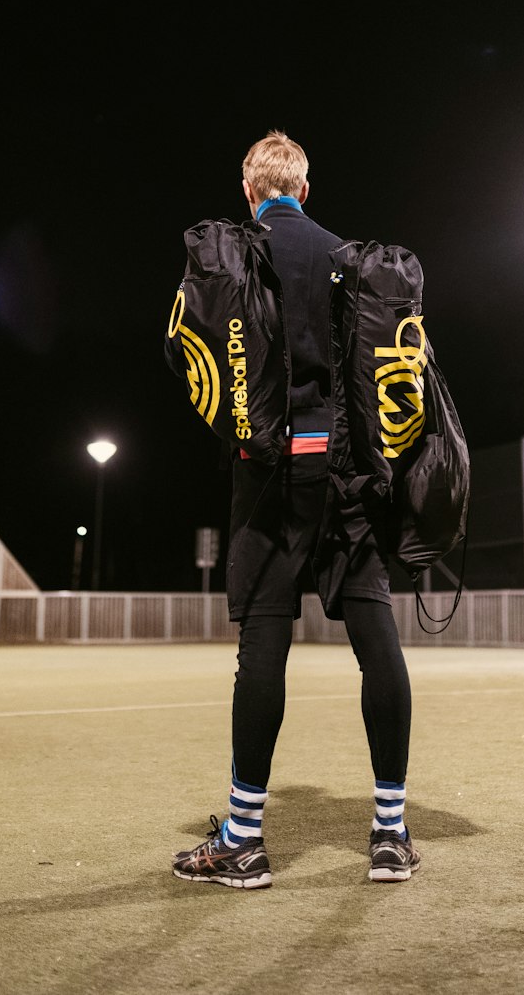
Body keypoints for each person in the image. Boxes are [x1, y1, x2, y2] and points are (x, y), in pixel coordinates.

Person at [170, 129, 420, 890]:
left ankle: (244, 840)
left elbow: (193, 358)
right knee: (377, 640)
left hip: (270, 478)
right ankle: (390, 833)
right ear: (304, 189)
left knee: (263, 651)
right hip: (349, 479)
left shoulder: (239, 256)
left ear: (250, 190)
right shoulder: (351, 258)